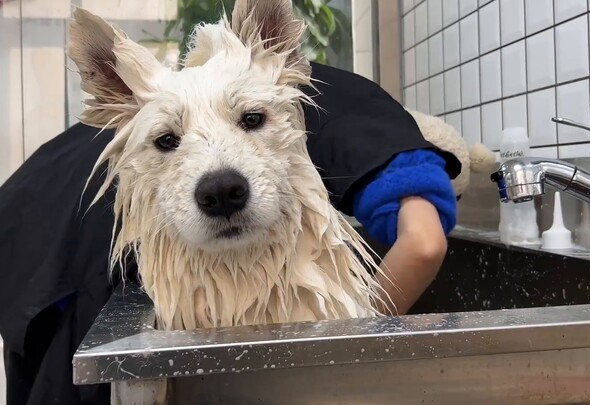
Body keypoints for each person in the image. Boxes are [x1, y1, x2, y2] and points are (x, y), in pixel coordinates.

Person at [0, 61, 461, 404]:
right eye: (167, 141)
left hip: (32, 202)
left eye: (252, 121)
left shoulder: (311, 102)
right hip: (52, 223)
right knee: (65, 371)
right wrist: (350, 347)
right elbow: (423, 242)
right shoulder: (353, 118)